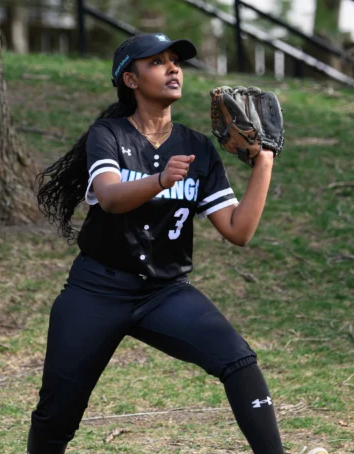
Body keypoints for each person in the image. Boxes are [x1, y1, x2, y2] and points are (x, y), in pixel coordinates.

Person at [27, 33, 327, 454]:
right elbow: (111, 198)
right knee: (56, 416)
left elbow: (238, 231)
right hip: (96, 291)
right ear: (130, 80)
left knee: (239, 362)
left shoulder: (197, 147)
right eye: (157, 62)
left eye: (176, 61)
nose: (173, 68)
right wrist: (161, 180)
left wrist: (265, 162)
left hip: (163, 293)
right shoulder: (108, 134)